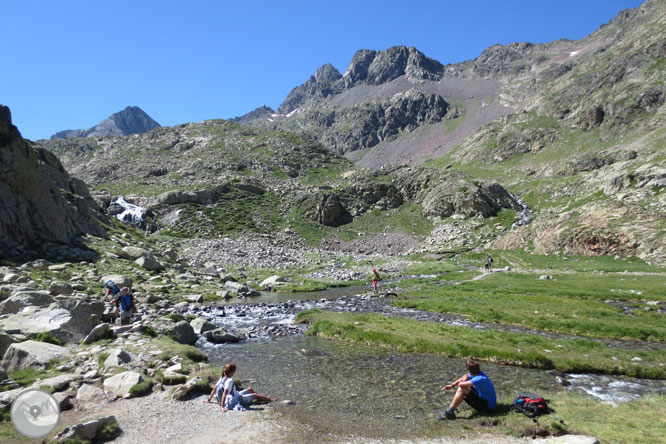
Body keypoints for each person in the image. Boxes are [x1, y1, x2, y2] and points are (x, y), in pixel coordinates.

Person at [204, 363, 276, 411]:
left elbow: (214, 389)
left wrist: (209, 399)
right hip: (237, 398)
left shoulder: (222, 377)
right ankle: (270, 400)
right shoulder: (229, 380)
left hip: (236, 394)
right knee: (254, 395)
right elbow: (225, 393)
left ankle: (261, 398)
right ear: (232, 372)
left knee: (250, 389)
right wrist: (222, 407)